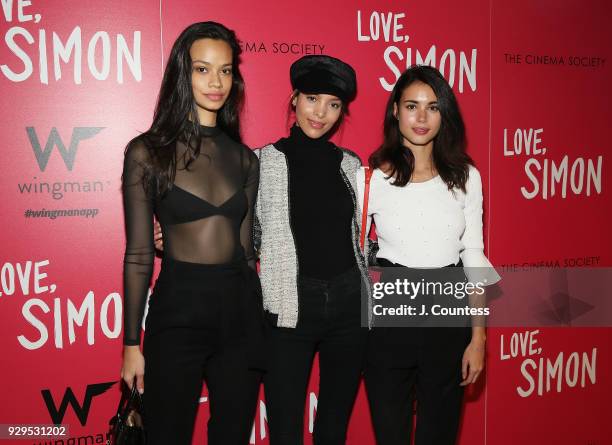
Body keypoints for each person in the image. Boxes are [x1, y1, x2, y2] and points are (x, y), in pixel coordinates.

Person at [120, 21, 262, 445]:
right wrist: (131, 343)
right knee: (167, 434)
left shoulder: (245, 159)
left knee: (232, 435)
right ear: (183, 73)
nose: (216, 81)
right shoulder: (147, 152)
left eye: (225, 70)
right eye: (203, 69)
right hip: (178, 309)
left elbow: (246, 251)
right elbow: (140, 255)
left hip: (240, 312)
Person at [358, 65, 501, 445]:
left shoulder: (466, 176)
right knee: (390, 433)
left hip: (447, 312)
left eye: (433, 107)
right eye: (412, 106)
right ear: (395, 111)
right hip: (390, 312)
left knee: (439, 433)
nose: (421, 117)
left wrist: (478, 338)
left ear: (445, 113)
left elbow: (473, 254)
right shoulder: (371, 177)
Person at [254, 55, 371, 445]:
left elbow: (361, 236)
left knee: (333, 427)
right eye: (312, 99)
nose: (321, 113)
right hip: (289, 306)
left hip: (349, 305)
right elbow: (244, 237)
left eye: (334, 105)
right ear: (294, 99)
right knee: (285, 428)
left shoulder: (352, 164)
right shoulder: (260, 163)